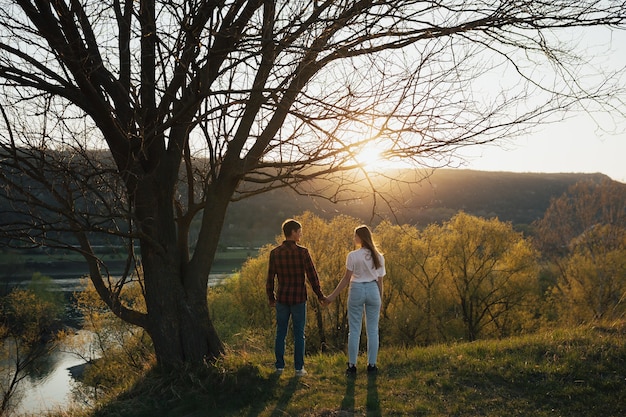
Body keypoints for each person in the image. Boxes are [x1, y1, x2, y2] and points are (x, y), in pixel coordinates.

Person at [266, 219, 326, 376]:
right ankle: (299, 369)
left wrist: (271, 297)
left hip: (282, 298)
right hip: (299, 298)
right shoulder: (303, 252)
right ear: (292, 232)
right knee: (299, 334)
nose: (301, 234)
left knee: (281, 332)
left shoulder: (275, 253)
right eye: (299, 231)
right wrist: (319, 295)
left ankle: (279, 366)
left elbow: (270, 278)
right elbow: (313, 276)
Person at [325, 225, 385, 377]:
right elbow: (380, 281)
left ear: (360, 237)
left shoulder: (353, 255)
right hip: (373, 290)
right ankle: (372, 365)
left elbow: (346, 279)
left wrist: (332, 296)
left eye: (355, 236)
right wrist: (380, 300)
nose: (354, 239)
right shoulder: (379, 256)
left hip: (357, 289)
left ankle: (352, 366)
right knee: (372, 331)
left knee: (354, 331)